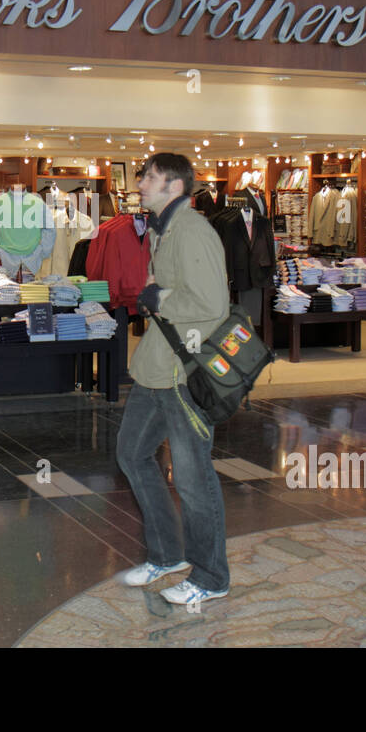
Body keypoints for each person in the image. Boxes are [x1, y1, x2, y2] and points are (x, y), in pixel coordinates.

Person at [117, 153, 232, 606]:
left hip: (185, 373)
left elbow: (212, 303)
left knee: (192, 476)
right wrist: (156, 296)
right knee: (132, 453)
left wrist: (159, 297)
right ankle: (166, 554)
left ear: (174, 186)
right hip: (157, 367)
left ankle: (210, 576)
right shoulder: (165, 228)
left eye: (149, 177)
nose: (140, 184)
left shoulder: (193, 230)